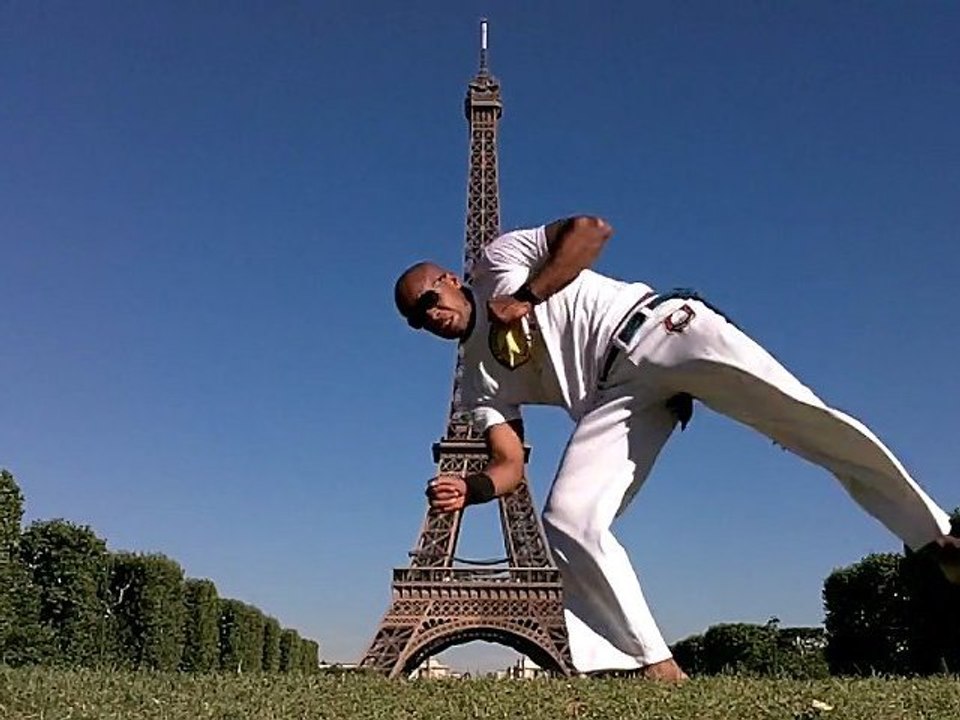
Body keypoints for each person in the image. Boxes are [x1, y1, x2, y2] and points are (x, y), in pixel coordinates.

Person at [393, 215, 960, 681]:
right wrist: (470, 488)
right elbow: (510, 462)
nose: (430, 318)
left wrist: (527, 294)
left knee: (799, 418)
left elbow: (590, 230)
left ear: (448, 277)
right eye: (417, 322)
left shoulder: (499, 260)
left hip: (662, 330)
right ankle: (656, 667)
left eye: (428, 300)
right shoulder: (475, 380)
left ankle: (936, 537)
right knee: (568, 518)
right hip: (615, 398)